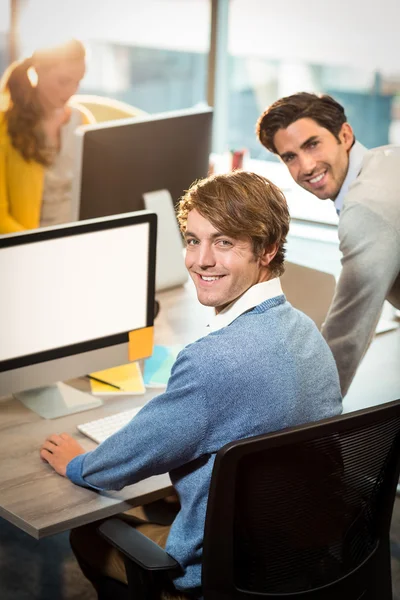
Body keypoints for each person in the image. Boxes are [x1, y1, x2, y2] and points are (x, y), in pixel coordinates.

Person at [40, 170, 342, 599]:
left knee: (86, 533)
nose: (200, 259)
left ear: (267, 249)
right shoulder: (307, 331)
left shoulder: (210, 363)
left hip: (223, 574)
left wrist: (77, 463)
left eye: (223, 243)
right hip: (300, 555)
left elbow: (121, 465)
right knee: (164, 498)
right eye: (193, 239)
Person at [256, 92, 400, 396]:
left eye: (312, 144)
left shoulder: (364, 208)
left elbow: (346, 336)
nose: (306, 166)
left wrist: (300, 424)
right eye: (290, 157)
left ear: (344, 135)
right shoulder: (390, 158)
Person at [0, 39, 94, 234]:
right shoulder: (5, 125)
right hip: (31, 243)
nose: (71, 91)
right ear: (39, 70)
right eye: (64, 81)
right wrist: (35, 246)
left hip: (82, 236)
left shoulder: (83, 120)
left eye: (78, 82)